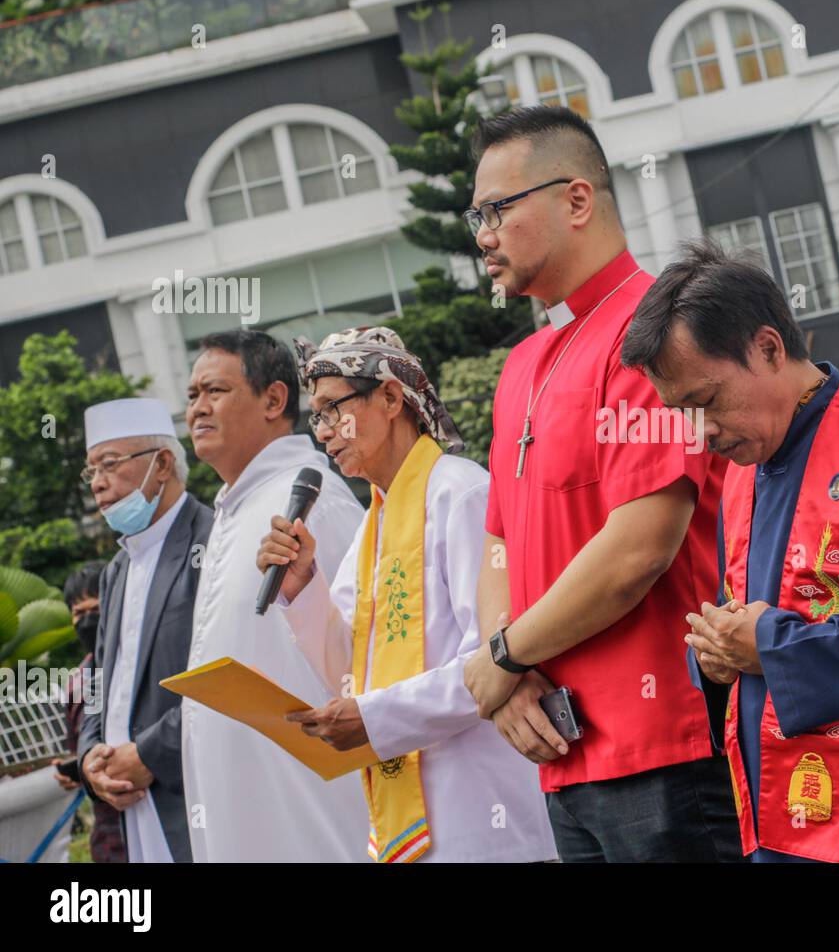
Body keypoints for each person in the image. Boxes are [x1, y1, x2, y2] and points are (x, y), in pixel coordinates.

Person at [621, 240, 839, 862]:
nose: (699, 433)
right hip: (780, 819)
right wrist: (714, 658)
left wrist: (770, 647)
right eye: (681, 413)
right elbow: (742, 622)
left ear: (768, 347)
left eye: (705, 402)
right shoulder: (742, 471)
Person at [458, 105, 739, 862]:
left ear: (576, 200)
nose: (483, 235)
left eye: (497, 209)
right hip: (561, 748)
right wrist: (506, 668)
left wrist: (507, 657)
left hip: (664, 746)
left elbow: (638, 550)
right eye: (474, 215)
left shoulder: (654, 333)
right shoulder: (523, 363)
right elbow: (499, 540)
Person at [254, 327, 556, 863]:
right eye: (316, 417)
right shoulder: (376, 523)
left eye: (332, 410)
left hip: (483, 813)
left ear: (391, 397)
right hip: (412, 820)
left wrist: (372, 718)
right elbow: (351, 671)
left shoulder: (461, 493)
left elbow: (490, 664)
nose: (323, 433)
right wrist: (303, 591)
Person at [183, 329, 367, 861]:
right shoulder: (235, 505)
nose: (198, 408)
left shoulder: (311, 496)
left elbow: (365, 653)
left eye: (215, 391)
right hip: (245, 803)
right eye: (192, 395)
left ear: (273, 399)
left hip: (313, 807)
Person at [76, 398, 213, 863]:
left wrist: (149, 753)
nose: (97, 482)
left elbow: (227, 678)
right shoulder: (116, 570)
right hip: (130, 803)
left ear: (163, 464)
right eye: (91, 470)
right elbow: (100, 680)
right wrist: (90, 755)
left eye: (110, 464)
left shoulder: (212, 542)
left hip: (196, 792)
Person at [54, 561, 126, 864]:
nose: (87, 621)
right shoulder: (76, 683)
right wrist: (73, 769)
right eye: (78, 614)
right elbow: (75, 747)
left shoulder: (134, 666)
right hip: (108, 833)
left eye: (94, 610)